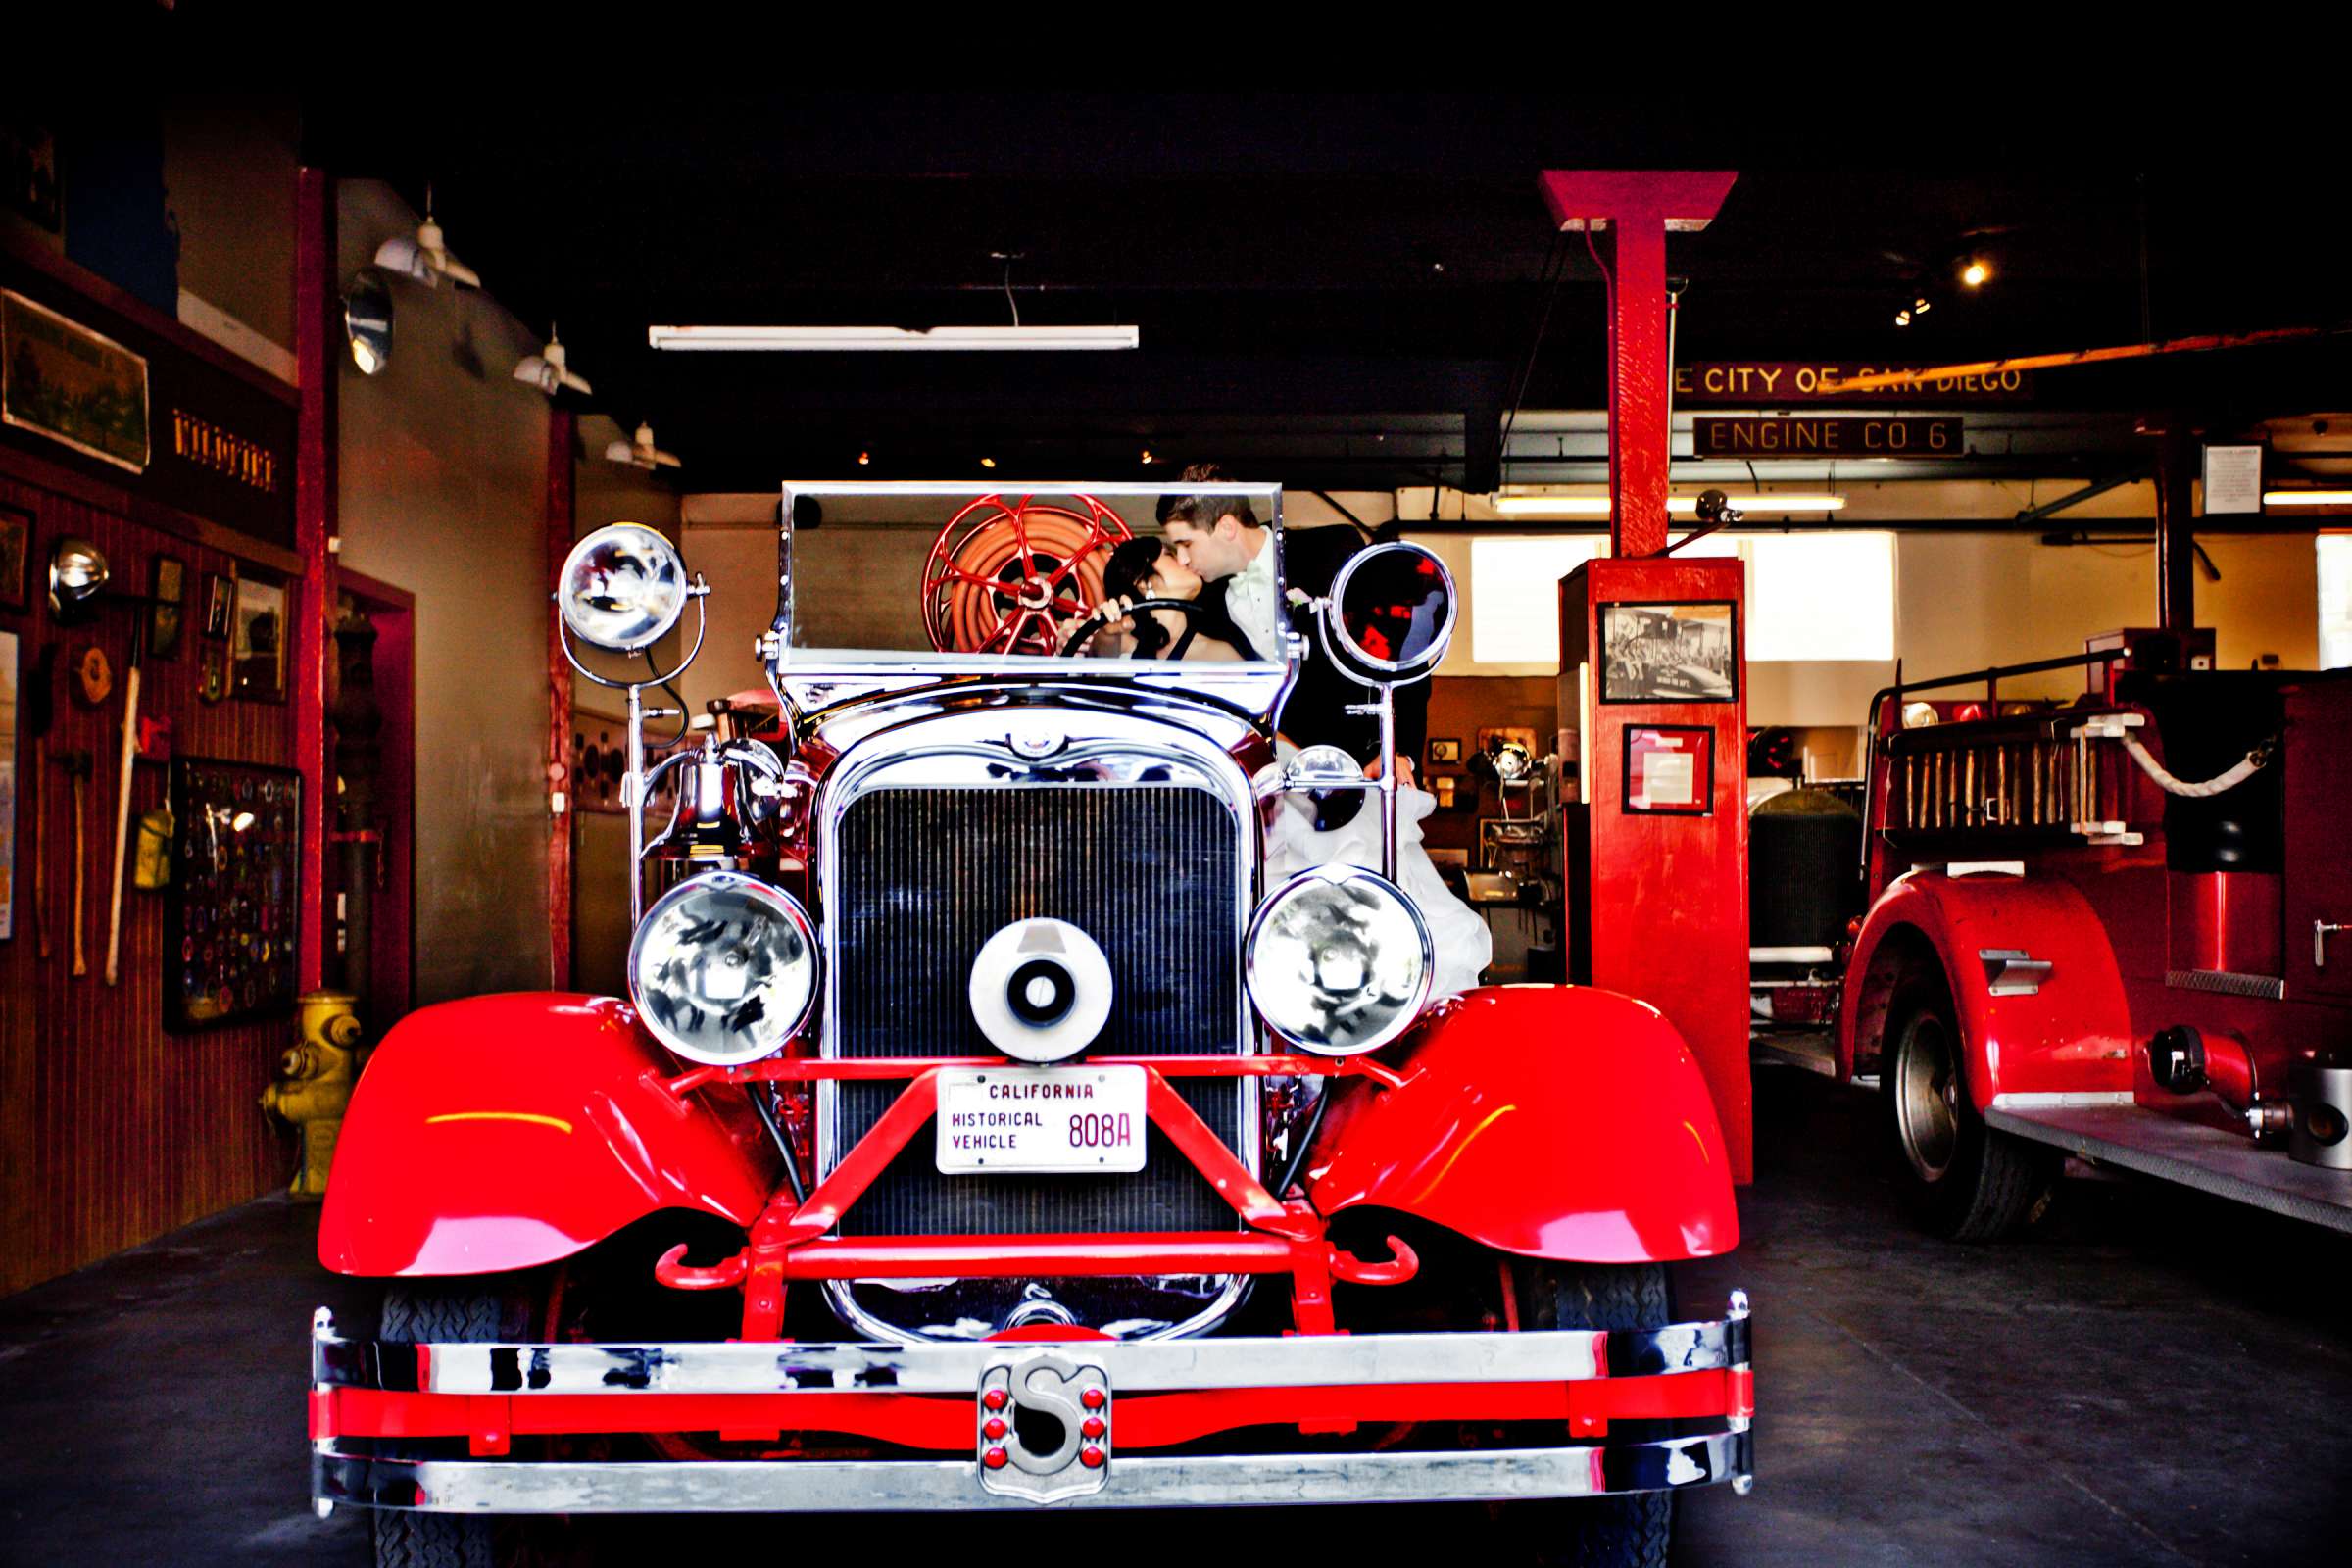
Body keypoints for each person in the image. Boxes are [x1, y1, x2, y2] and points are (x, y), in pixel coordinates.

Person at [1157, 466, 1426, 766]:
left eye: (1186, 544)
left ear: (1226, 527)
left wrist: (1399, 751)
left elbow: (1403, 653)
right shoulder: (1205, 609)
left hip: (1362, 770)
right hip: (1269, 784)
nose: (1182, 559)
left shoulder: (1332, 551)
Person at [1097, 536, 1261, 661]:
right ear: (1143, 583)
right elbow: (1098, 656)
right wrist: (1105, 632)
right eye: (1170, 555)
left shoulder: (1219, 649)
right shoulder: (1124, 642)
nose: (1184, 560)